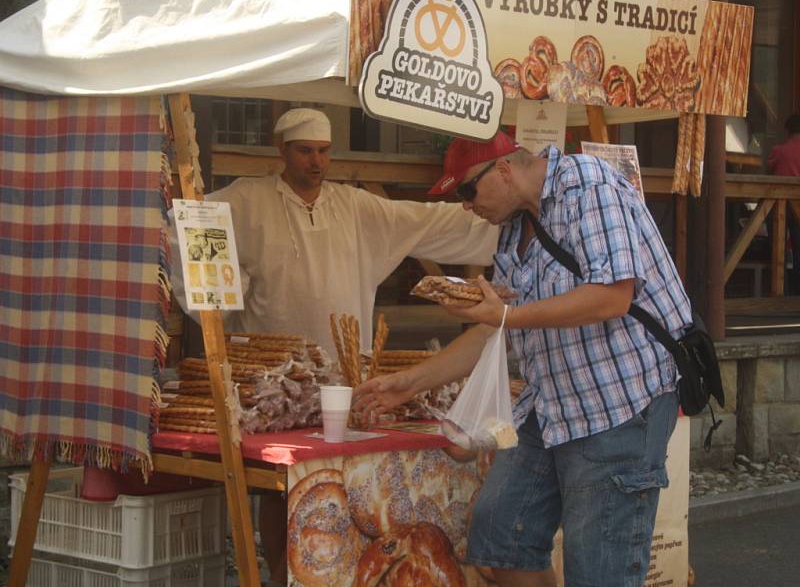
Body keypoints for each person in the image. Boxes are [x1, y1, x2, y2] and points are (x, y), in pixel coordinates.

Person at [170, 107, 498, 584]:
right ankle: (275, 569)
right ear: (282, 150)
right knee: (277, 489)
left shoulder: (355, 206)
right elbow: (190, 223)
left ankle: (316, 573)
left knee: (332, 487)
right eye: (305, 151)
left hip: (344, 379)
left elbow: (429, 223)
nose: (317, 162)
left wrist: (513, 219)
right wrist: (222, 293)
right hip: (273, 386)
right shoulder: (247, 199)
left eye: (324, 151)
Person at [354, 132, 692, 587]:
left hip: (621, 406)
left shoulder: (589, 186)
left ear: (504, 168)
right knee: (500, 539)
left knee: (598, 572)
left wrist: (508, 315)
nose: (467, 206)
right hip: (551, 405)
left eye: (467, 191)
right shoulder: (514, 225)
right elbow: (498, 327)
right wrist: (410, 382)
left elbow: (611, 296)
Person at [768, 113, 800, 292]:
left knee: (777, 248)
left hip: (780, 205)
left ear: (788, 130)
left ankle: (781, 290)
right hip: (798, 204)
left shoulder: (779, 150)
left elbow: (769, 170)